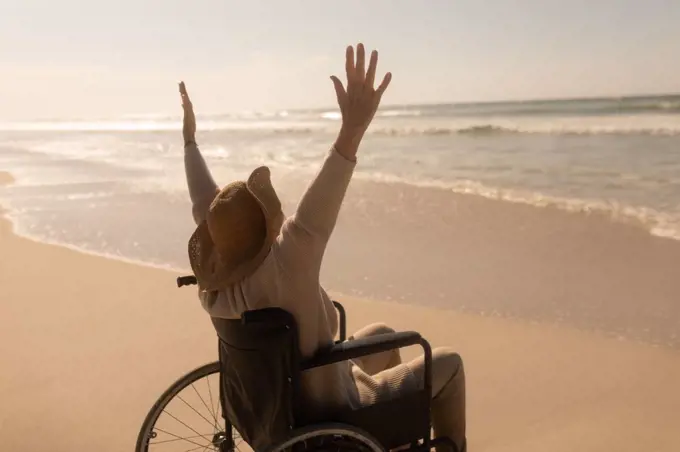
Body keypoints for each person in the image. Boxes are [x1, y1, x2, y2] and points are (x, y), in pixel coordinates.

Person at [181, 43, 466, 452]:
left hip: (275, 407)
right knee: (450, 362)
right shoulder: (289, 262)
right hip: (329, 411)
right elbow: (326, 192)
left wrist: (190, 142)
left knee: (384, 334)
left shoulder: (213, 283)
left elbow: (202, 202)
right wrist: (354, 127)